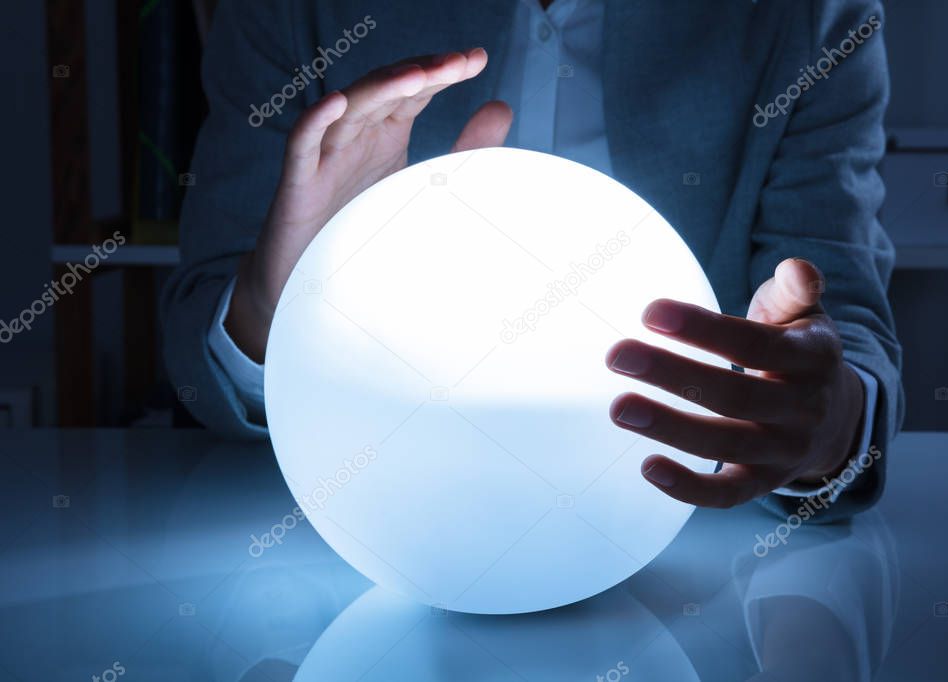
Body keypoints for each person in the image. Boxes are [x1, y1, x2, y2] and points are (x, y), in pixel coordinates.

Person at [162, 0, 903, 521]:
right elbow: (196, 348)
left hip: (673, 543)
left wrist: (827, 422)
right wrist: (278, 302)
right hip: (360, 530)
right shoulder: (295, 10)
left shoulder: (810, 16)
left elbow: (844, 331)